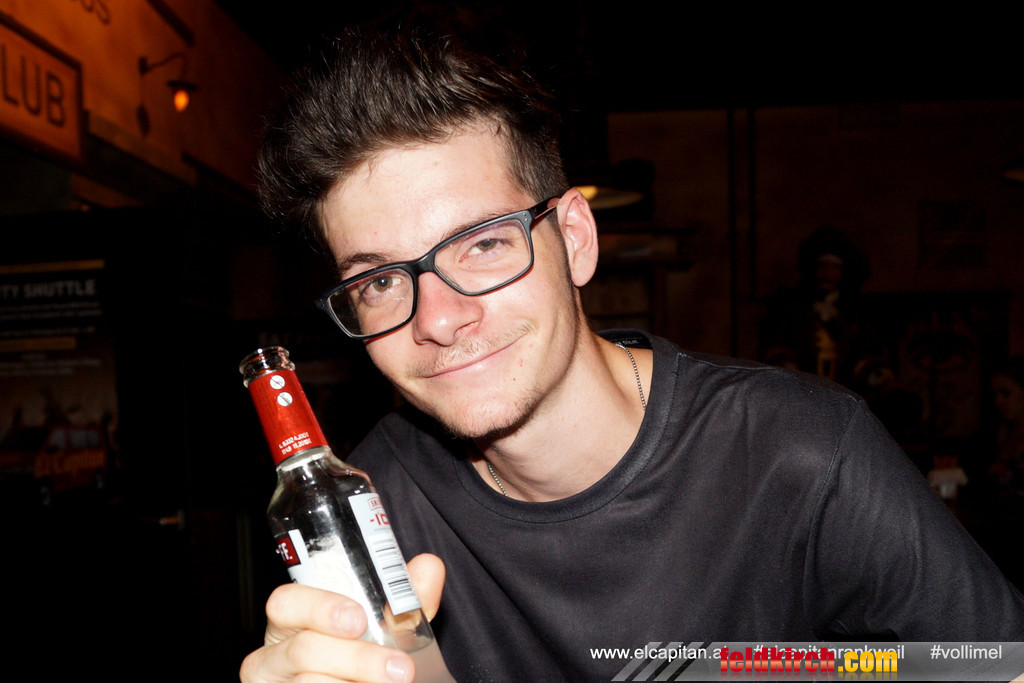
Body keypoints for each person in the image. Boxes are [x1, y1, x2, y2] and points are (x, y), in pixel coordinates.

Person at [241, 25, 1024, 682]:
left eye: (482, 244)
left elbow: (996, 665)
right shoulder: (370, 505)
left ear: (575, 240)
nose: (439, 320)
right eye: (380, 281)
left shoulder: (802, 449)